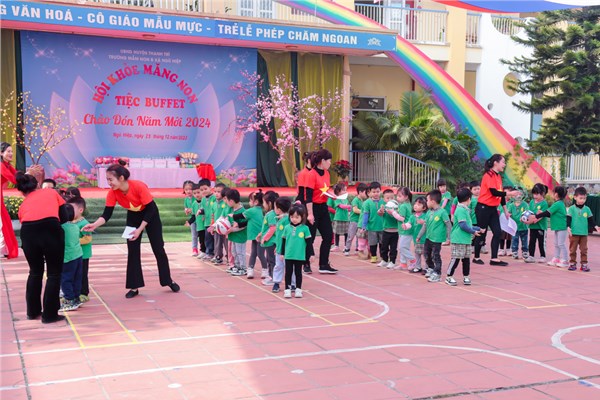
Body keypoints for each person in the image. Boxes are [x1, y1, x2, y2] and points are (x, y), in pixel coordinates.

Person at [82, 160, 180, 298]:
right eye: (107, 179)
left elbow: (150, 209)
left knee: (158, 248)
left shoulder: (138, 186)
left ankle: (167, 280)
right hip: (133, 216)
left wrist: (140, 229)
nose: (109, 183)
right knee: (132, 250)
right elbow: (106, 214)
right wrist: (94, 225)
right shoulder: (113, 193)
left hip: (150, 215)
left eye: (110, 179)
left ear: (121, 178)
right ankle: (134, 286)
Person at [16, 172, 66, 323]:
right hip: (50, 229)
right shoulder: (51, 192)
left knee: (35, 272)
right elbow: (64, 217)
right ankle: (50, 315)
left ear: (21, 191)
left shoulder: (23, 205)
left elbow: (25, 221)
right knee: (54, 273)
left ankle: (32, 312)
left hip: (28, 233)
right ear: (37, 184)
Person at [472, 154, 520, 266]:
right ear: (495, 163)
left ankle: (494, 258)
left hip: (493, 209)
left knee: (498, 232)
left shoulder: (498, 177)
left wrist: (505, 210)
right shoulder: (488, 175)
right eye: (503, 162)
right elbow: (494, 192)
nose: (504, 164)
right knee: (482, 233)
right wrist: (509, 193)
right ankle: (476, 257)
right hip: (483, 208)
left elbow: (500, 195)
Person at [305, 149, 337, 274]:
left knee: (328, 235)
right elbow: (308, 196)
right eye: (329, 161)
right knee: (310, 237)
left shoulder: (327, 173)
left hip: (323, 207)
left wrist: (332, 195)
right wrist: (310, 214)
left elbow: (325, 190)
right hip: (312, 207)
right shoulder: (311, 174)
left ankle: (323, 264)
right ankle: (306, 263)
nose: (330, 163)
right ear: (322, 161)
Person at [445, 188, 484, 286]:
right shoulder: (461, 210)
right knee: (456, 258)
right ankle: (449, 276)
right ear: (468, 199)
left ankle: (466, 276)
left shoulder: (465, 210)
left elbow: (468, 225)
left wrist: (478, 228)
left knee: (466, 259)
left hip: (466, 240)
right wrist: (473, 232)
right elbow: (463, 225)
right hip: (458, 239)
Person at [416, 189, 451, 283]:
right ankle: (431, 268)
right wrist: (419, 235)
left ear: (433, 201)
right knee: (426, 254)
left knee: (436, 256)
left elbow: (448, 225)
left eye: (427, 200)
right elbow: (425, 225)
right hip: (428, 238)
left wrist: (449, 238)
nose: (426, 202)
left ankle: (437, 273)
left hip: (437, 239)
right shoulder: (429, 212)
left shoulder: (442, 212)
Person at [282, 204, 312, 299]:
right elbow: (283, 241)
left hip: (299, 255)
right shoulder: (287, 228)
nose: (294, 219)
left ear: (302, 217)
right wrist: (282, 253)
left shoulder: (305, 228)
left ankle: (298, 289)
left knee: (298, 273)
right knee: (288, 272)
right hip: (288, 255)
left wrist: (311, 254)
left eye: (297, 217)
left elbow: (309, 243)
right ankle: (287, 289)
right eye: (292, 217)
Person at [567, 187, 600, 271]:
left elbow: (591, 220)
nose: (582, 200)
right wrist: (568, 227)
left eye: (584, 198)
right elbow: (568, 219)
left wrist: (596, 226)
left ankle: (584, 264)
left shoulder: (587, 209)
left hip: (584, 234)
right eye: (580, 198)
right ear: (575, 197)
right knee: (572, 250)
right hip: (574, 233)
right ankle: (572, 263)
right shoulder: (571, 208)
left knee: (584, 250)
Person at [68, 196, 93, 303]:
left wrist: (74, 241)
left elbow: (87, 239)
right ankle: (75, 292)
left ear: (80, 210)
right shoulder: (70, 222)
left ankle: (84, 293)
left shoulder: (84, 223)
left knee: (82, 274)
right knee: (74, 274)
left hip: (83, 254)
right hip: (75, 254)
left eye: (71, 209)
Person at [59, 203, 84, 311]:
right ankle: (76, 298)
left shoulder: (61, 228)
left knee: (65, 279)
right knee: (76, 278)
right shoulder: (75, 226)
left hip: (67, 257)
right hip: (78, 255)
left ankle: (69, 300)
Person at [389, 187, 415, 270]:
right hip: (403, 230)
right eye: (397, 196)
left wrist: (393, 212)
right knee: (403, 247)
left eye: (400, 196)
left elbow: (401, 218)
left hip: (405, 230)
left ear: (406, 197)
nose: (398, 198)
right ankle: (403, 263)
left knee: (402, 247)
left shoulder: (403, 206)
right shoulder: (405, 204)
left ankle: (412, 260)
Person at [1, 142, 19, 259]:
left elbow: (17, 176)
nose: (11, 153)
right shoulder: (1, 166)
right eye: (8, 151)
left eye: (12, 151)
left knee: (4, 221)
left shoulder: (6, 165)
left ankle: (4, 249)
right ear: (1, 153)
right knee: (2, 223)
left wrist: (29, 174)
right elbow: (13, 179)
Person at [359, 181, 385, 264]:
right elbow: (365, 215)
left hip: (382, 227)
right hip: (372, 227)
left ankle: (383, 257)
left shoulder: (383, 202)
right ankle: (373, 256)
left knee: (382, 243)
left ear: (380, 191)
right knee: (372, 243)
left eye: (377, 191)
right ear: (369, 192)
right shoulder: (367, 203)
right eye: (373, 192)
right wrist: (363, 226)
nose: (376, 193)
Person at [224, 189, 247, 276]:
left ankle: (243, 268)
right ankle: (237, 266)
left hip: (240, 237)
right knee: (234, 252)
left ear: (231, 201)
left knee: (240, 252)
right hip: (233, 236)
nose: (226, 202)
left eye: (226, 200)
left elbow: (243, 225)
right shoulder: (231, 209)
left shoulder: (242, 211)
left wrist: (232, 230)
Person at [524, 183, 549, 264]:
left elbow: (541, 216)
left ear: (542, 193)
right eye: (534, 194)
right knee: (532, 241)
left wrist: (533, 220)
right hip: (532, 227)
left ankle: (543, 256)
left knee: (541, 242)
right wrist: (525, 219)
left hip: (541, 227)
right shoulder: (531, 202)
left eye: (537, 194)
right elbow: (529, 212)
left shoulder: (544, 203)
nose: (535, 196)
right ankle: (531, 256)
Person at [258, 190, 279, 285]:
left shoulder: (271, 214)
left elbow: (273, 228)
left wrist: (265, 238)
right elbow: (266, 228)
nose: (263, 205)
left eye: (264, 202)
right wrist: (260, 234)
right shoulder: (270, 214)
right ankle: (271, 276)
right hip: (268, 241)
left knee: (271, 260)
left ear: (269, 203)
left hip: (271, 241)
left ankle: (274, 277)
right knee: (269, 259)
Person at [271, 197, 291, 293]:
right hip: (279, 249)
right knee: (278, 266)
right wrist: (277, 246)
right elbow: (279, 236)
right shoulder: (279, 219)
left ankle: (292, 283)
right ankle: (276, 282)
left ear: (279, 209)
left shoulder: (287, 219)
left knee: (290, 267)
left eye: (275, 207)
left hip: (288, 250)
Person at [185, 183, 207, 258]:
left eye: (198, 192)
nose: (197, 195)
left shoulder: (205, 201)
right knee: (201, 239)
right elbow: (194, 215)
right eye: (194, 193)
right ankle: (203, 251)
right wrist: (189, 222)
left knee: (207, 239)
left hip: (206, 224)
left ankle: (209, 252)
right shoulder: (194, 204)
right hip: (199, 225)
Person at [346, 183, 368, 256]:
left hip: (360, 221)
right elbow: (355, 210)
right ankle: (347, 249)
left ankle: (357, 249)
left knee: (359, 236)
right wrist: (364, 212)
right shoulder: (355, 200)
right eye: (365, 192)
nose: (366, 194)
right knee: (351, 236)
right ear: (360, 192)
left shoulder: (363, 201)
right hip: (354, 221)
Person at [507, 191, 530, 260]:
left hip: (523, 226)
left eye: (520, 194)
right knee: (514, 239)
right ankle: (514, 251)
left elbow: (527, 212)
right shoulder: (511, 205)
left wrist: (523, 217)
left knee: (524, 240)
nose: (518, 196)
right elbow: (508, 212)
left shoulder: (525, 204)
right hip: (515, 227)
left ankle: (525, 251)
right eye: (516, 194)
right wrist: (509, 215)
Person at [329, 183, 351, 253]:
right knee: (337, 233)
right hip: (338, 218)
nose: (345, 191)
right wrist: (348, 206)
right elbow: (340, 206)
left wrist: (350, 209)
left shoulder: (346, 200)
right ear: (338, 191)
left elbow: (348, 208)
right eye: (344, 190)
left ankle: (346, 246)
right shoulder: (337, 199)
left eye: (346, 190)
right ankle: (336, 246)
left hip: (346, 218)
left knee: (346, 233)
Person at [408, 197, 428, 274]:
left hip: (424, 239)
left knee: (425, 254)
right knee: (417, 253)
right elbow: (409, 223)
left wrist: (424, 222)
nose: (416, 206)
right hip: (416, 238)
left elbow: (429, 224)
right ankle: (418, 267)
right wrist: (406, 226)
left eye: (419, 204)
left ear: (424, 208)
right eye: (415, 204)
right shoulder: (412, 216)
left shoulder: (426, 216)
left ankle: (427, 267)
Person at [380, 188, 399, 268]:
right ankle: (384, 260)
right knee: (384, 246)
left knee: (393, 248)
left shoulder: (397, 207)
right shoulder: (384, 207)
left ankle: (392, 261)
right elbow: (380, 213)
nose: (390, 200)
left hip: (395, 231)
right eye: (387, 198)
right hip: (386, 230)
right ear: (384, 199)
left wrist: (394, 212)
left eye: (392, 198)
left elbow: (399, 216)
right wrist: (381, 211)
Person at [182, 180, 198, 257]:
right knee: (194, 235)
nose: (188, 191)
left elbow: (197, 207)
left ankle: (205, 249)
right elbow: (186, 207)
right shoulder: (186, 199)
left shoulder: (196, 197)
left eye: (190, 189)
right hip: (192, 220)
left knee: (202, 235)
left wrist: (191, 209)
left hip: (199, 219)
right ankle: (194, 249)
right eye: (186, 189)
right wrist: (186, 210)